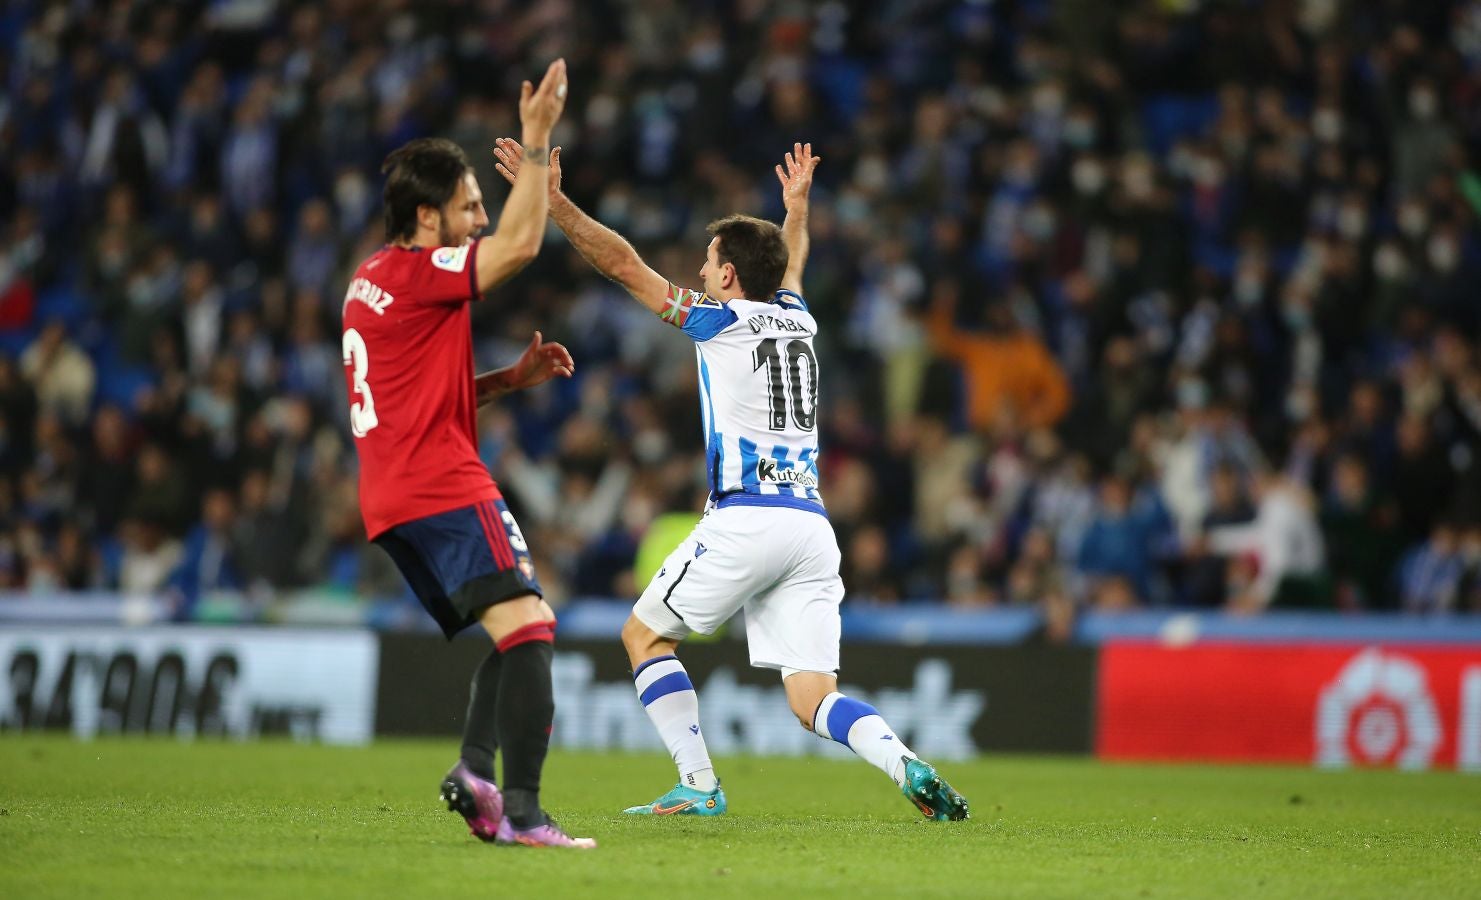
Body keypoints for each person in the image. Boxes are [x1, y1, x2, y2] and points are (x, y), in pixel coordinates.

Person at [494, 138, 969, 821]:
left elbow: (622, 265)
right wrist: (796, 210)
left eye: (708, 262)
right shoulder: (798, 320)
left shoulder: (718, 322)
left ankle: (698, 782)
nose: (699, 269)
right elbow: (791, 265)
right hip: (810, 528)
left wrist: (553, 200)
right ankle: (905, 764)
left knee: (643, 637)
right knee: (812, 698)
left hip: (747, 519)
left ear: (726, 278)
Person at [341, 60, 595, 849]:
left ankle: (478, 774)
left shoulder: (369, 281)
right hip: (444, 484)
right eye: (469, 205)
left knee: (521, 624)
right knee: (531, 628)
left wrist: (502, 382)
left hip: (391, 497)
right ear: (427, 218)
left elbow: (410, 395)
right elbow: (521, 245)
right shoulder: (421, 276)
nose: (482, 219)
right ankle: (519, 811)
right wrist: (540, 137)